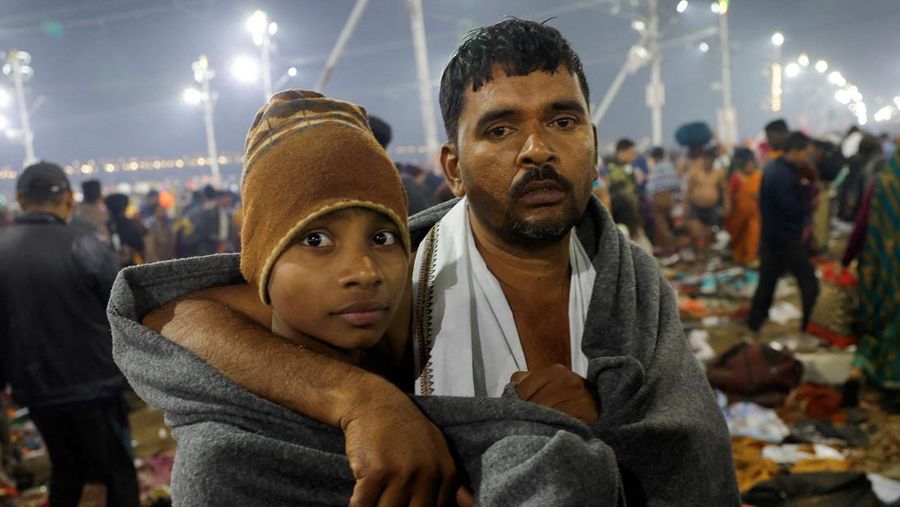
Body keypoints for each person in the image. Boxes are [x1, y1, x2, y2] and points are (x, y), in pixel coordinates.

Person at [111, 19, 738, 506]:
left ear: (593, 144)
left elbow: (682, 452)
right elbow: (179, 318)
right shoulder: (400, 276)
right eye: (499, 130)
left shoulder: (630, 281)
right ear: (453, 168)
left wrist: (604, 423)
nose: (537, 150)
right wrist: (362, 401)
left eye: (563, 120)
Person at [0, 162, 139, 507]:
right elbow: (125, 307)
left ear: (19, 199)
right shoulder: (86, 244)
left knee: (66, 467)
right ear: (67, 200)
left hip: (37, 390)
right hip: (96, 387)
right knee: (116, 471)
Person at [840, 142, 899, 410]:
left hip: (881, 273)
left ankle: (860, 373)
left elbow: (862, 225)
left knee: (877, 326)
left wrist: (846, 259)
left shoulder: (882, 183)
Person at [747, 132, 820, 335]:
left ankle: (754, 325)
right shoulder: (783, 175)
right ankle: (809, 326)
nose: (806, 157)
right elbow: (790, 208)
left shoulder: (776, 168)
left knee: (767, 285)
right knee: (809, 284)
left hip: (773, 240)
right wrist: (809, 203)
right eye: (805, 152)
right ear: (795, 151)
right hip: (788, 241)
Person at [685, 146, 729, 262]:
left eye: (711, 160)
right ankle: (698, 256)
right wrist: (686, 206)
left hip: (712, 208)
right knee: (697, 233)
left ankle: (705, 258)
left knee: (709, 235)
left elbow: (724, 191)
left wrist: (726, 205)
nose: (708, 162)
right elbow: (688, 191)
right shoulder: (695, 172)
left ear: (714, 161)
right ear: (702, 159)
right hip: (696, 207)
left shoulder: (719, 174)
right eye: (706, 160)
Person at [725, 147, 761, 265]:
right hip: (738, 216)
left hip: (755, 217)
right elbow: (730, 197)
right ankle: (740, 260)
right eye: (749, 164)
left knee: (753, 237)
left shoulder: (758, 176)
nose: (751, 166)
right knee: (739, 240)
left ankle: (751, 259)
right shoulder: (736, 178)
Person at [646, 146, 681, 257]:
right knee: (669, 225)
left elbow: (650, 188)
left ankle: (672, 249)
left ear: (654, 157)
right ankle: (670, 248)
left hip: (659, 199)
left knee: (661, 225)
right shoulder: (670, 166)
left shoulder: (656, 168)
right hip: (671, 199)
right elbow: (676, 184)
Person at [106, 193, 146, 267]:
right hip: (130, 267)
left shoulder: (105, 225)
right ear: (125, 206)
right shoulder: (131, 224)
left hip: (110, 268)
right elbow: (141, 248)